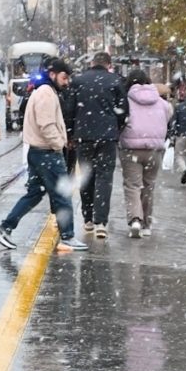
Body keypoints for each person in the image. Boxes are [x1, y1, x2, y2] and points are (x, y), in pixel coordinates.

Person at [0, 57, 89, 252]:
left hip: (38, 152)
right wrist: (59, 144)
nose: (67, 82)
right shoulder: (46, 93)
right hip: (47, 153)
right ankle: (67, 236)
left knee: (35, 193)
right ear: (53, 75)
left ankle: (5, 228)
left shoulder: (42, 90)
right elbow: (46, 125)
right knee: (62, 194)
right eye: (64, 77)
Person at [65, 51, 128, 239]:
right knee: (104, 177)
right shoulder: (115, 81)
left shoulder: (78, 81)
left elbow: (69, 109)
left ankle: (88, 218)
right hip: (107, 136)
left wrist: (70, 133)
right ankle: (101, 221)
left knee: (86, 175)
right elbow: (123, 111)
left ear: (92, 63)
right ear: (109, 65)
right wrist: (115, 127)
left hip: (83, 136)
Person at [118, 70, 172, 238]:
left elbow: (120, 120)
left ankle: (135, 219)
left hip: (131, 148)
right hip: (154, 149)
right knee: (148, 186)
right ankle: (146, 225)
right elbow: (168, 118)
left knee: (132, 186)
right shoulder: (162, 103)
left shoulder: (125, 100)